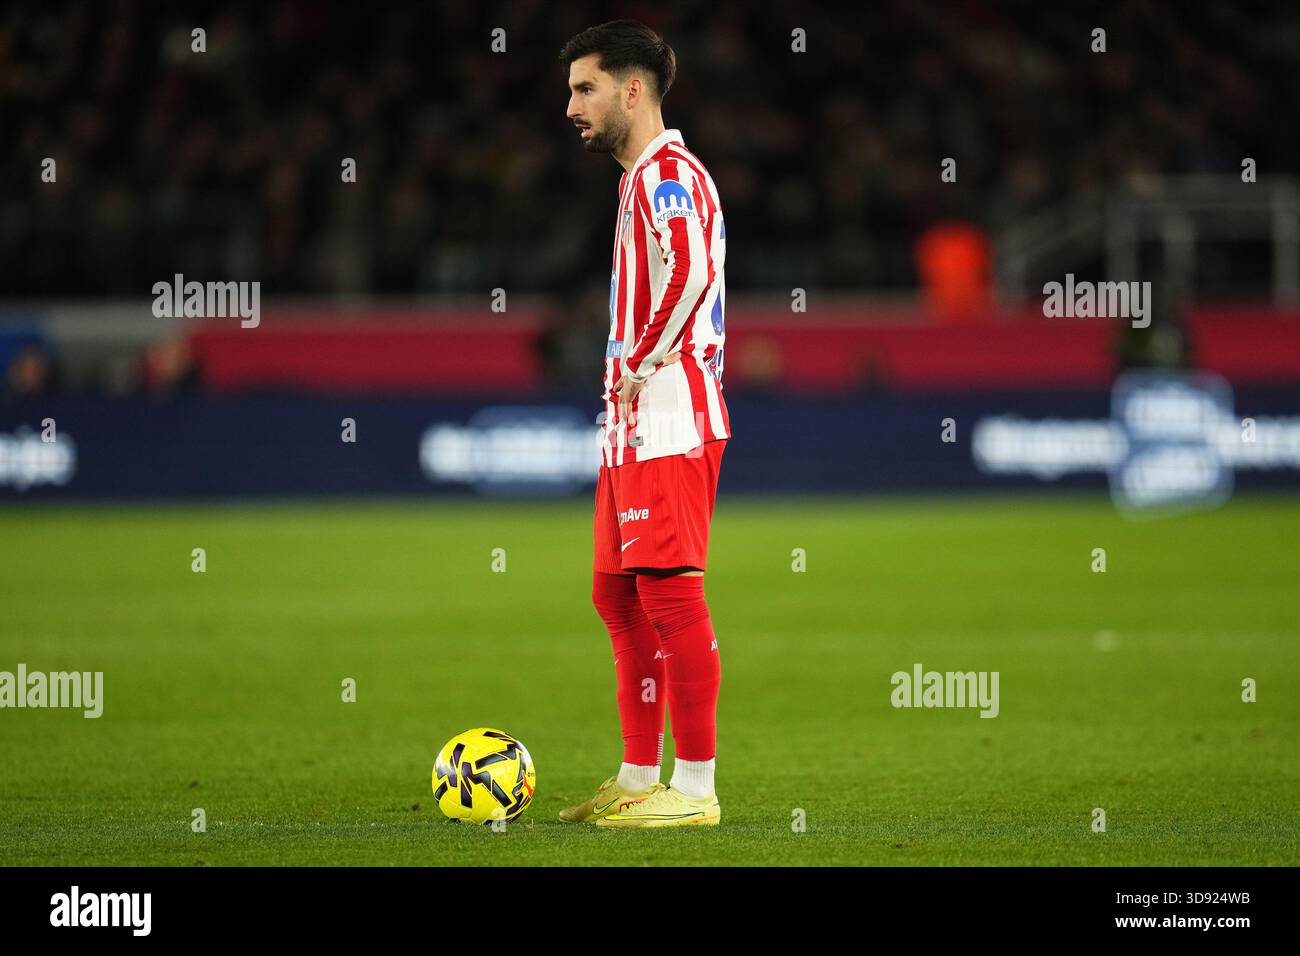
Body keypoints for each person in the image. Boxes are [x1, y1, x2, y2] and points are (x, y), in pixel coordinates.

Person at [557, 20, 730, 827]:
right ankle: (635, 778)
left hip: (667, 415)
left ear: (633, 90)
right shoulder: (638, 181)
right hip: (630, 426)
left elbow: (691, 271)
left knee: (668, 600)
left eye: (584, 88)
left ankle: (694, 792)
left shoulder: (667, 175)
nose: (571, 106)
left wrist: (639, 362)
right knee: (617, 601)